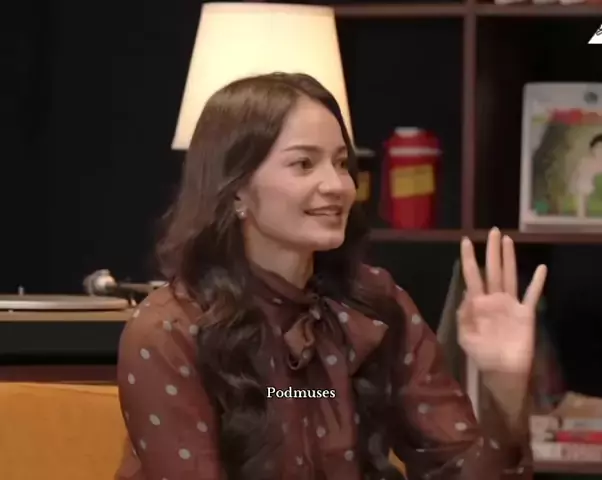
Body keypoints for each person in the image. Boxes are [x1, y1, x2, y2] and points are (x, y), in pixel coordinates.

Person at [115, 72, 547, 480]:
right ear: (236, 191)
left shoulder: (374, 304)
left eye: (341, 163)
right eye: (304, 164)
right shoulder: (168, 330)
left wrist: (505, 393)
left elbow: (458, 470)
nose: (338, 185)